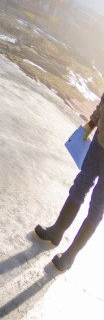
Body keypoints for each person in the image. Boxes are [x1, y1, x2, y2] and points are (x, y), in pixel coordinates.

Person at [35, 94, 104, 271]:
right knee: (81, 184)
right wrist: (93, 122)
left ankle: (70, 255)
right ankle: (57, 230)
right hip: (99, 141)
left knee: (97, 205)